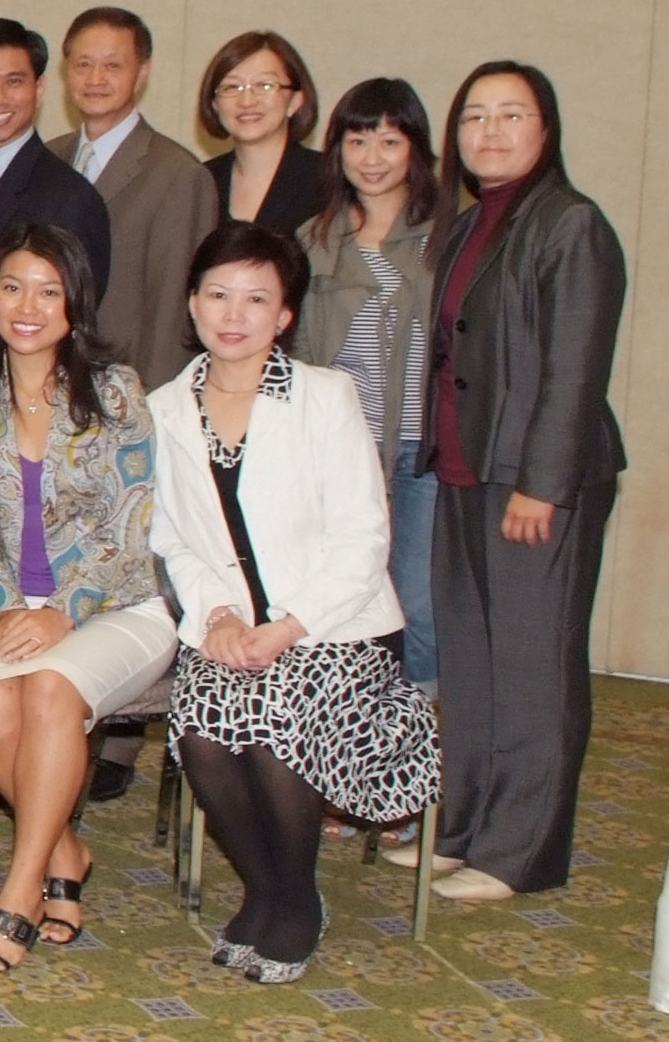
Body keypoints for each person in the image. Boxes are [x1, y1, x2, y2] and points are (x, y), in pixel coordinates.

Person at [149, 221, 438, 981]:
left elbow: (363, 536)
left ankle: (295, 903)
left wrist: (287, 628)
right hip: (226, 626)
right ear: (192, 303)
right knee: (203, 733)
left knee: (275, 725)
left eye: (256, 299)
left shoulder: (325, 396)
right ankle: (273, 889)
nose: (233, 314)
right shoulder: (164, 408)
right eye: (218, 294)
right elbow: (171, 536)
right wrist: (217, 614)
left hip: (336, 627)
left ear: (283, 314)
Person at [412, 62, 626, 902]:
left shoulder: (570, 224)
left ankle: (520, 852)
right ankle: (464, 826)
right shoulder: (473, 223)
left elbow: (575, 366)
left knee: (534, 667)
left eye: (511, 115)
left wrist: (543, 483)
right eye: (474, 116)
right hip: (466, 471)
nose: (490, 132)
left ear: (546, 129)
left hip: (536, 482)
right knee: (472, 662)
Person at [0, 223, 172, 976]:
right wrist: (7, 602)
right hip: (3, 605)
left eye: (48, 290)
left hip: (116, 606)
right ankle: (64, 852)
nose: (28, 307)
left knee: (48, 690)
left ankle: (19, 894)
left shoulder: (116, 391)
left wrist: (61, 609)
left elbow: (133, 520)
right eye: (13, 288)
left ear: (75, 304)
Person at [292, 78, 445, 690]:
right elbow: (302, 353)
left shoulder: (447, 234)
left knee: (418, 601)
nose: (372, 157)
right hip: (348, 452)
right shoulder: (315, 238)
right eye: (358, 141)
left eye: (389, 141)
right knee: (347, 599)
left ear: (416, 149)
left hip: (424, 452)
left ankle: (421, 725)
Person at [0, 18, 112, 384]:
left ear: (39, 89)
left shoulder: (71, 198)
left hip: (6, 393)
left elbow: (73, 319)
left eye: (14, 81)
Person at [47, 7, 214, 388]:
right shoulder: (47, 159)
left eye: (112, 65)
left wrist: (152, 403)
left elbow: (172, 316)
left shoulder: (178, 174)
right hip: (44, 384)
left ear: (142, 72)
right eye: (83, 64)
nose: (95, 78)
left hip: (123, 386)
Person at [198, 30, 329, 240]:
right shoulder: (199, 181)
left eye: (265, 85)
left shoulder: (330, 179)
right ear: (214, 104)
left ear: (295, 100)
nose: (247, 101)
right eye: (232, 87)